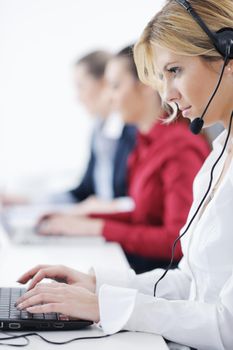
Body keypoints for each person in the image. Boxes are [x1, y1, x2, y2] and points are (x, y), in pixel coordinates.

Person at [14, 0, 233, 347]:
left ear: (227, 55)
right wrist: (97, 285)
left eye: (175, 70)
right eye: (162, 77)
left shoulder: (188, 149)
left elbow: (227, 325)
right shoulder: (218, 160)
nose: (169, 95)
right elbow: (191, 282)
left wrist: (106, 306)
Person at [36, 45, 210, 273]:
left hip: (165, 283)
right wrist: (84, 219)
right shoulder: (144, 142)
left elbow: (177, 242)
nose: (109, 97)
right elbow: (142, 216)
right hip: (146, 272)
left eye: (116, 86)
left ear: (146, 86)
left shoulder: (179, 147)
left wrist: (97, 227)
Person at [0, 50, 136, 208]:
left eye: (81, 86)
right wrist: (25, 200)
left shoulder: (134, 131)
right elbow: (84, 192)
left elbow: (137, 203)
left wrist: (107, 208)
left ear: (105, 83)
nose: (78, 97)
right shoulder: (99, 131)